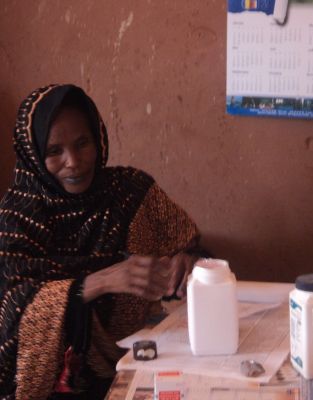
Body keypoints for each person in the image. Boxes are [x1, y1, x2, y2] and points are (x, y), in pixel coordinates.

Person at [0, 84, 205, 399]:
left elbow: (190, 246)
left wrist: (189, 262)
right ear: (34, 156)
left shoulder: (130, 193)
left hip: (140, 362)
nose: (74, 161)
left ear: (99, 139)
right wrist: (98, 282)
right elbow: (13, 310)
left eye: (83, 143)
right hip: (59, 386)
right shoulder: (17, 218)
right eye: (55, 151)